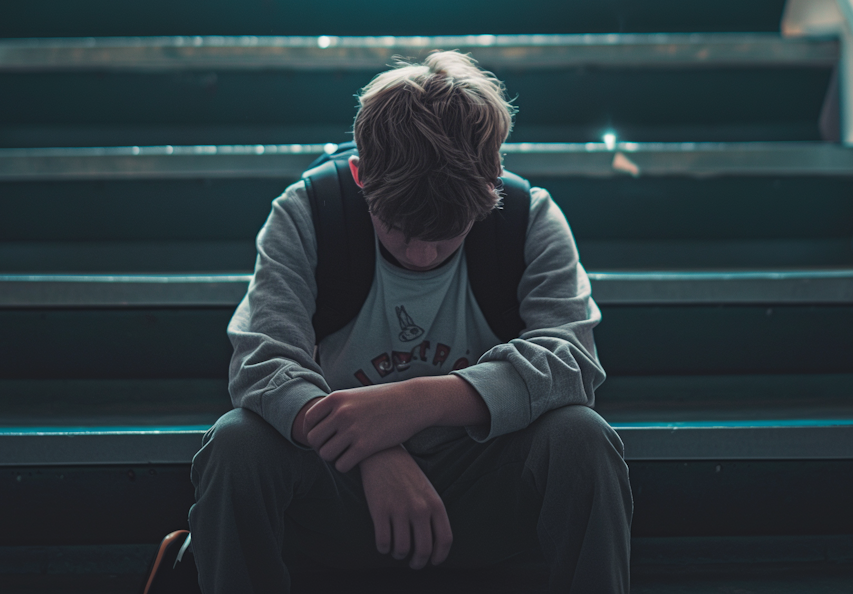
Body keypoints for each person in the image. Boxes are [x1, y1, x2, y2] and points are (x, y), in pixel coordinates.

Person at [189, 51, 632, 592]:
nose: (422, 256)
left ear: (490, 187)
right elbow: (261, 364)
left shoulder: (528, 217)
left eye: (446, 234)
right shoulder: (307, 212)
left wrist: (415, 403)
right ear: (360, 177)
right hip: (344, 497)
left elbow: (572, 363)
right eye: (399, 230)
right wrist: (371, 446)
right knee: (236, 444)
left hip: (478, 496)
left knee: (582, 438)